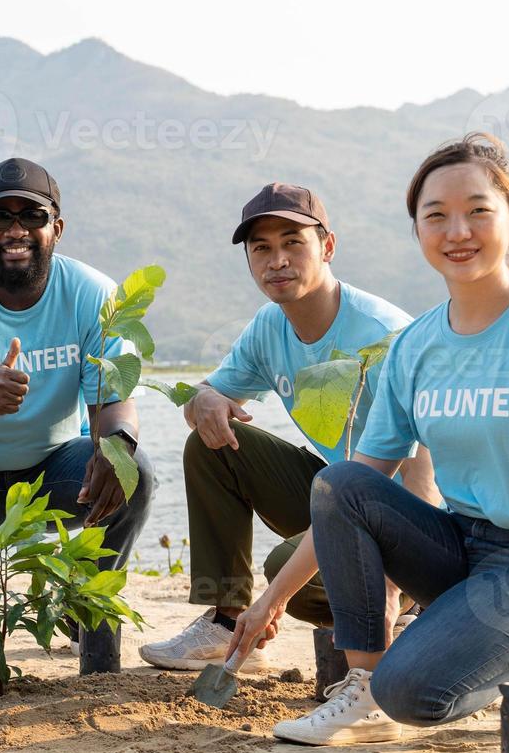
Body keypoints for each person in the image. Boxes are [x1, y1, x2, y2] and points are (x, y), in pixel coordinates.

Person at [227, 133, 509, 745]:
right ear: (417, 231)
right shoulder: (415, 346)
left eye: (477, 211)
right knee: (340, 481)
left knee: (414, 692)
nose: (457, 231)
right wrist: (269, 601)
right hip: (466, 551)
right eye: (435, 216)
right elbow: (350, 495)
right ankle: (361, 685)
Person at [140, 183, 437, 672]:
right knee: (210, 445)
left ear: (328, 246)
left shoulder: (382, 333)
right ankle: (226, 621)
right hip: (345, 495)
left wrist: (402, 577)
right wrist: (206, 399)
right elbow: (202, 397)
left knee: (287, 571)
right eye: (262, 248)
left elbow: (423, 472)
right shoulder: (268, 327)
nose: (277, 260)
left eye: (293, 242)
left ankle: (413, 607)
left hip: (417, 520)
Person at [0, 157, 154, 654]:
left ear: (55, 228)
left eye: (32, 216)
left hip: (54, 474)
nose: (16, 230)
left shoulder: (95, 295)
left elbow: (115, 407)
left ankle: (88, 615)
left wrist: (116, 444)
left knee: (133, 468)